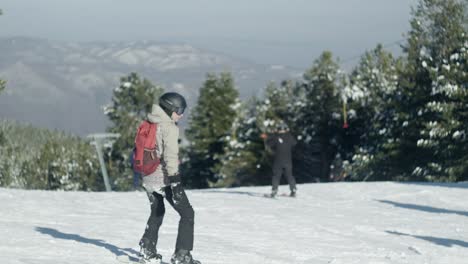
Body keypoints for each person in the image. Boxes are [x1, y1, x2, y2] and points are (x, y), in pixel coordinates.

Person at [138, 92, 201, 264]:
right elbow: (171, 157)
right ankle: (182, 255)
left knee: (157, 211)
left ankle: (147, 249)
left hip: (147, 176)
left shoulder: (150, 121)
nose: (181, 114)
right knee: (187, 213)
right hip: (163, 178)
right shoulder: (169, 128)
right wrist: (176, 183)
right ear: (170, 108)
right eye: (179, 110)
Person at [264, 121, 297, 198]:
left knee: (276, 176)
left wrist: (267, 137)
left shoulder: (275, 137)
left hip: (278, 161)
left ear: (278, 129)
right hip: (288, 161)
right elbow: (294, 143)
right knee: (290, 176)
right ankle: (293, 190)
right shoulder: (290, 137)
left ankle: (274, 191)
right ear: (286, 129)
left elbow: (269, 144)